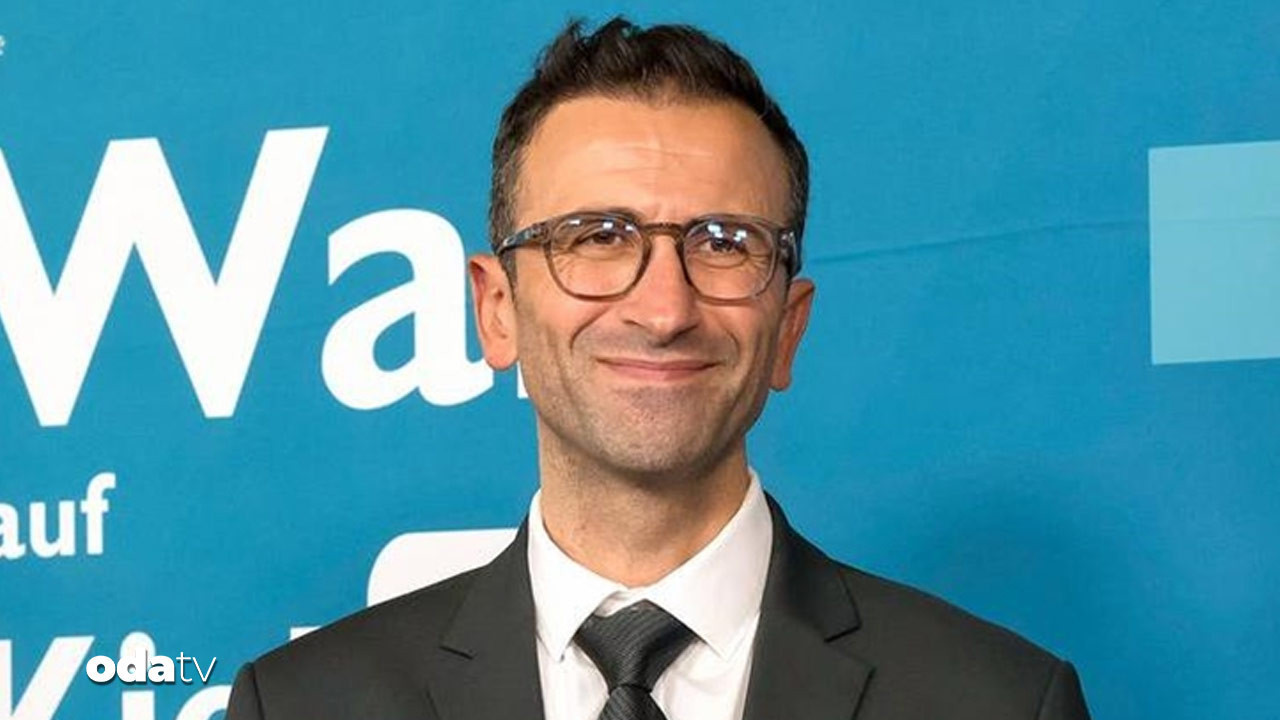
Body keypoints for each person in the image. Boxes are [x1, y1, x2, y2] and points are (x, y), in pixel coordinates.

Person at [226, 17, 1091, 720]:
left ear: (788, 327)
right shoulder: (304, 706)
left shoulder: (1000, 702)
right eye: (598, 238)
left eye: (725, 243)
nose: (664, 309)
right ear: (496, 309)